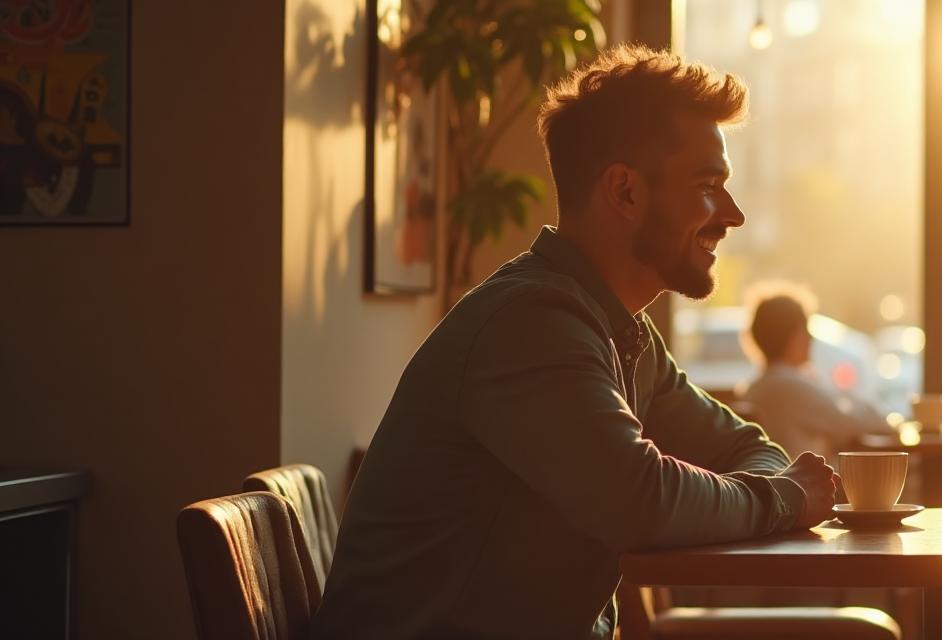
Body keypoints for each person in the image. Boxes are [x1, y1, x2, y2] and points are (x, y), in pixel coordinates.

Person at [312, 45, 838, 639]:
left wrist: (778, 488)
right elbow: (640, 501)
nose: (733, 215)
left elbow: (746, 447)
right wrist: (784, 499)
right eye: (709, 185)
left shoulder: (619, 331)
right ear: (626, 192)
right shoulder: (532, 324)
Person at [740, 284, 897, 457]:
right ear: (795, 335)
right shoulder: (793, 388)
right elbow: (853, 423)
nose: (810, 338)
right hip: (801, 482)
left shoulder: (754, 389)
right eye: (805, 330)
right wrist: (889, 419)